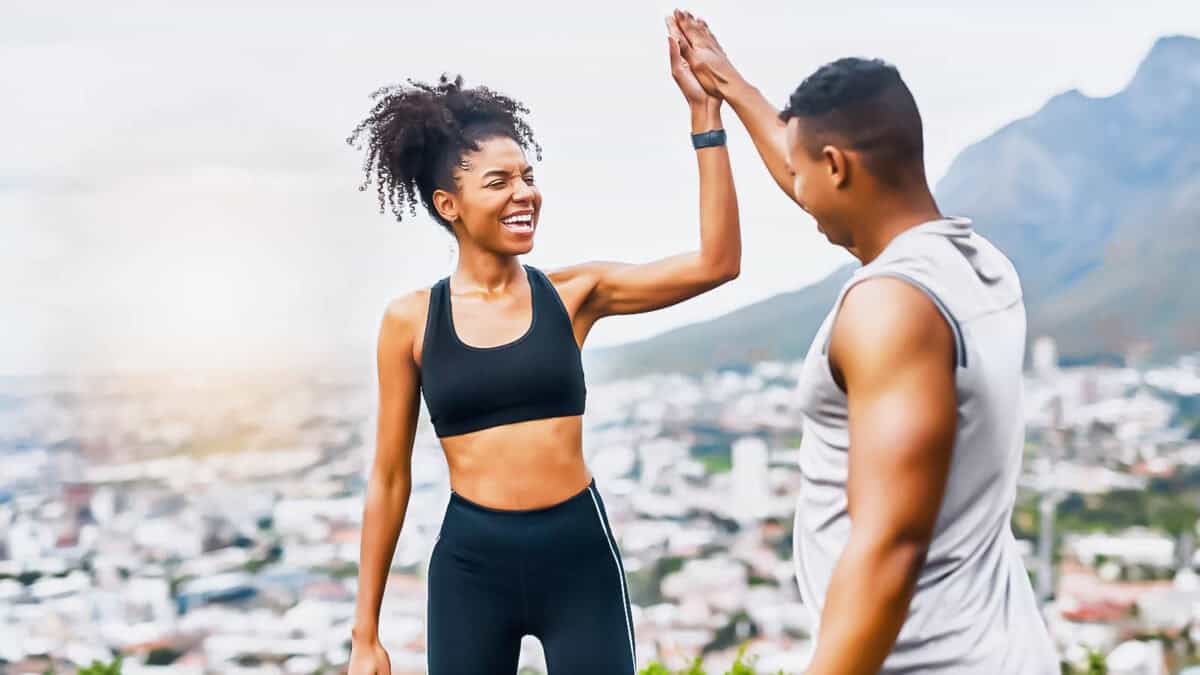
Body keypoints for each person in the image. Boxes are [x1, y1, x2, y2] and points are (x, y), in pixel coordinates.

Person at [667, 10, 1059, 674]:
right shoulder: (976, 266)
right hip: (1002, 647)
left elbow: (890, 547)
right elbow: (810, 174)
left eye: (804, 173)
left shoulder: (890, 307)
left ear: (837, 165)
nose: (798, 192)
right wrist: (728, 85)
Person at [344, 29, 740, 675]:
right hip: (471, 568)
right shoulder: (411, 321)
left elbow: (718, 262)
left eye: (528, 176)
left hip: (578, 557)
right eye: (498, 182)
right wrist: (366, 635)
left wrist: (705, 117)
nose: (524, 193)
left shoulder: (576, 294)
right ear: (450, 205)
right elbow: (389, 476)